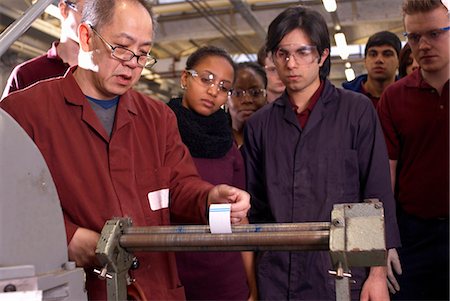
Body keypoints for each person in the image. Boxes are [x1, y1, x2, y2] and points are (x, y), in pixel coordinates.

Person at [0, 0, 250, 300]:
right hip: (81, 289)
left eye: (143, 53)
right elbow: (8, 203)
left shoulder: (157, 118)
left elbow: (180, 186)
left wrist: (210, 197)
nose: (132, 62)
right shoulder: (24, 113)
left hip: (154, 288)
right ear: (86, 35)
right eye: (121, 47)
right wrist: (67, 238)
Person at [241, 5, 400, 300]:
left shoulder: (356, 111)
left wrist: (377, 275)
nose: (291, 63)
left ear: (323, 55)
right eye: (282, 53)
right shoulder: (259, 126)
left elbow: (376, 196)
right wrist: (253, 288)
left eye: (303, 52)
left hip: (340, 271)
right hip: (275, 275)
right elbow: (254, 210)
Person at [167, 46, 257, 301]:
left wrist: (252, 285)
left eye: (223, 86)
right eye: (206, 79)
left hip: (224, 277)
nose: (213, 91)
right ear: (185, 78)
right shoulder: (161, 133)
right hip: (172, 272)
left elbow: (242, 221)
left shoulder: (228, 147)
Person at [377, 0, 449, 299]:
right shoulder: (394, 98)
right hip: (415, 235)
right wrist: (386, 239)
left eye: (435, 34)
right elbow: (386, 176)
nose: (424, 45)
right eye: (414, 37)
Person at [2, 0, 83, 99]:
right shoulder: (26, 74)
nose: (92, 22)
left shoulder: (100, 80)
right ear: (64, 10)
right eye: (85, 12)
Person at [342, 31, 401, 107]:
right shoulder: (345, 99)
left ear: (399, 61)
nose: (379, 60)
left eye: (387, 54)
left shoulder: (410, 96)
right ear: (365, 61)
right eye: (373, 54)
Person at [227, 61, 267, 148]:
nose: (247, 100)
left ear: (266, 96)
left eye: (255, 92)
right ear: (226, 98)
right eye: (237, 93)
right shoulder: (214, 138)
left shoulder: (278, 138)